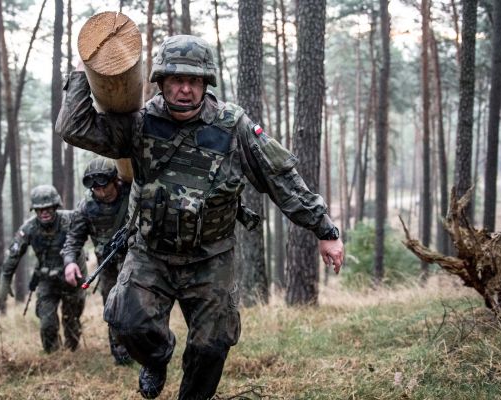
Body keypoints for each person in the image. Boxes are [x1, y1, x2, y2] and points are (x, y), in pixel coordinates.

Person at [56, 34, 344, 399]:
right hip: (150, 252)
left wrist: (324, 229)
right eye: (177, 80)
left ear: (206, 83)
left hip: (210, 257)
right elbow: (74, 128)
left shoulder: (232, 126)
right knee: (127, 323)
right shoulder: (139, 124)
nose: (185, 89)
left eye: (194, 81)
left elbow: (281, 178)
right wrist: (82, 73)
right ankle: (157, 358)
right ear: (160, 82)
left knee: (212, 347)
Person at [61, 156, 133, 365]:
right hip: (108, 265)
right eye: (95, 188)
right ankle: (121, 356)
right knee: (113, 308)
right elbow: (74, 238)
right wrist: (70, 262)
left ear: (116, 181)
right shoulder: (86, 206)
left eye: (104, 186)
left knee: (140, 306)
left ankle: (149, 351)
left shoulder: (132, 195)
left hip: (136, 260)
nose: (100, 192)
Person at [0, 184, 86, 353]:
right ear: (35, 211)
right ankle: (53, 356)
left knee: (71, 321)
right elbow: (13, 255)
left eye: (48, 208)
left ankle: (72, 353)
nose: (44, 212)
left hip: (73, 278)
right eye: (40, 209)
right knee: (47, 324)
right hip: (47, 280)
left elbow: (93, 229)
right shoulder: (29, 229)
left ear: (55, 207)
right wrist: (5, 279)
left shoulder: (71, 220)